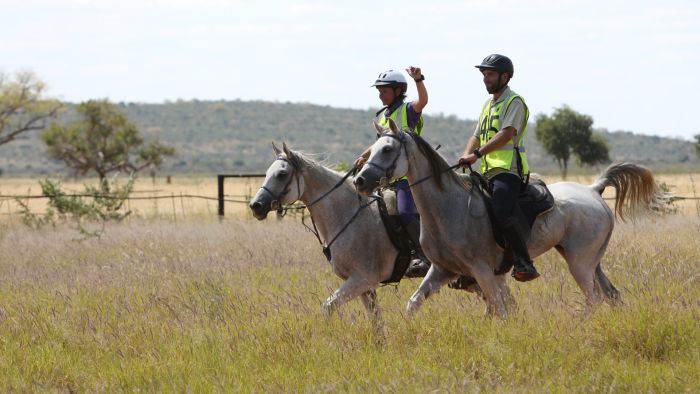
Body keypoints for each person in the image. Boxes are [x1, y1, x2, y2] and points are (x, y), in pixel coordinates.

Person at [458, 54, 540, 282]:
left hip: (508, 170)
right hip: (485, 170)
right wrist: (467, 153)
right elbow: (477, 135)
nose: (486, 79)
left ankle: (524, 262)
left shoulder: (514, 102)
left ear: (505, 76)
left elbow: (506, 134)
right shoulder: (488, 104)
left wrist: (476, 155)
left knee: (502, 210)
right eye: (484, 75)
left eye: (490, 74)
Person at [354, 67, 430, 277]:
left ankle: (423, 255)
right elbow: (380, 144)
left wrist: (419, 80)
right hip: (389, 176)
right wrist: (364, 156)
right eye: (379, 91)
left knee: (405, 212)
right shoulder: (385, 117)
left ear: (398, 91)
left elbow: (422, 101)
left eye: (384, 91)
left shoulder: (407, 110)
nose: (380, 94)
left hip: (409, 175)